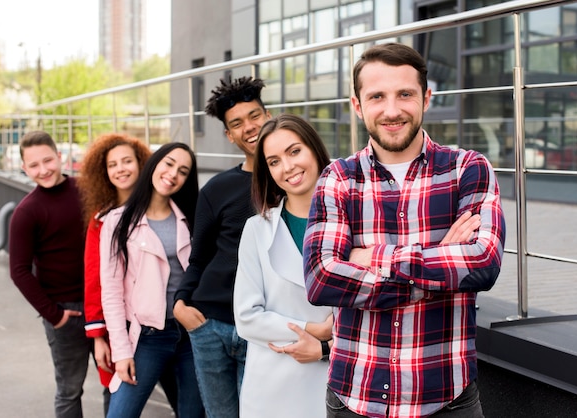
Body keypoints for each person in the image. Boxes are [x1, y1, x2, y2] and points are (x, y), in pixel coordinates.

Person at [303, 42, 506, 418]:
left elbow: (482, 263)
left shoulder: (468, 169)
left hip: (447, 397)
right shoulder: (338, 179)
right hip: (354, 396)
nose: (392, 110)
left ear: (427, 98)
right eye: (377, 96)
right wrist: (438, 260)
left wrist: (373, 258)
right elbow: (320, 279)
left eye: (405, 94)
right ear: (357, 105)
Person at [173, 76, 271, 418]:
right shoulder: (217, 188)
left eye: (255, 115)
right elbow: (198, 258)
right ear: (229, 135)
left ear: (269, 115)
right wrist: (180, 305)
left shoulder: (296, 178)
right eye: (237, 123)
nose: (250, 127)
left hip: (263, 328)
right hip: (209, 324)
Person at [233, 114, 333, 417]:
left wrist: (326, 347)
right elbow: (247, 317)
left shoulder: (355, 222)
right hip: (272, 386)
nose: (287, 167)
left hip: (338, 380)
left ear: (315, 150)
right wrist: (314, 329)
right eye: (274, 161)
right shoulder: (257, 229)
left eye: (294, 151)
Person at [99, 142, 204, 418]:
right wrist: (121, 351)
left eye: (183, 171)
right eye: (168, 163)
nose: (173, 174)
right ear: (154, 163)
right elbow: (110, 291)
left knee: (193, 414)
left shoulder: (191, 219)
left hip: (189, 336)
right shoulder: (117, 221)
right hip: (147, 337)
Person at [77, 133, 179, 415]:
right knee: (120, 397)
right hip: (127, 329)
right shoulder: (102, 220)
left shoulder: (169, 207)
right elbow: (97, 281)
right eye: (112, 165)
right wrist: (99, 338)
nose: (120, 169)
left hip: (175, 326)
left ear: (142, 164)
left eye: (127, 161)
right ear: (104, 172)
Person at [8, 130, 101, 418]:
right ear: (24, 168)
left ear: (60, 157)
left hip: (103, 303)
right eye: (33, 165)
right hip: (66, 313)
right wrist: (54, 315)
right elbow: (19, 271)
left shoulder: (88, 190)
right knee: (70, 390)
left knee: (117, 381)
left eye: (48, 160)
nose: (43, 169)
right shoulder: (27, 212)